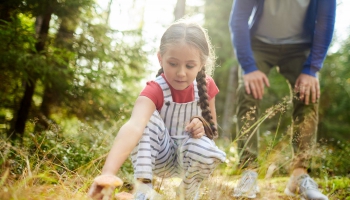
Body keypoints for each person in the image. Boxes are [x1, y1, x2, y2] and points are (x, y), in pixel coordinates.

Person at [88, 19, 226, 200]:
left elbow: (212, 129)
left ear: (201, 64)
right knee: (147, 120)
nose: (181, 73)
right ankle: (142, 192)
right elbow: (134, 126)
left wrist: (202, 123)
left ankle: (186, 194)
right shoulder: (155, 89)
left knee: (207, 149)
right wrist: (107, 174)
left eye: (189, 66)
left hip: (190, 158)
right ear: (160, 58)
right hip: (160, 157)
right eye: (173, 64)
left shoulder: (206, 86)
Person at [229, 0, 335, 199]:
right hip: (259, 43)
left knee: (308, 94)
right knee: (248, 91)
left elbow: (326, 21)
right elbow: (239, 19)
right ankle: (248, 171)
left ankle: (300, 175)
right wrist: (249, 67)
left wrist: (311, 69)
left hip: (300, 46)